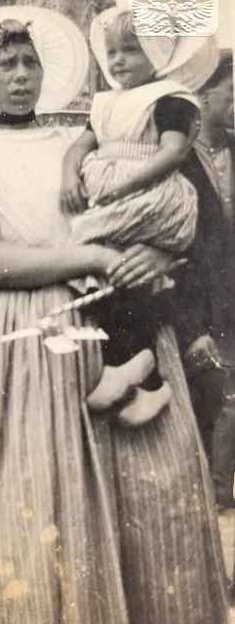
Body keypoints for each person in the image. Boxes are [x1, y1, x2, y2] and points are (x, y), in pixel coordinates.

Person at [0, 5, 228, 624]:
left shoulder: (86, 137)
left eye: (30, 63)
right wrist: (93, 255)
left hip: (117, 314)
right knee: (38, 498)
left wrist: (155, 253)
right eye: (5, 65)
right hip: (23, 333)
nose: (20, 76)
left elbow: (176, 210)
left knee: (149, 489)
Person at [59, 7, 218, 426]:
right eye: (112, 52)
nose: (118, 61)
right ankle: (146, 378)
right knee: (115, 274)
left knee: (123, 268)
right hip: (119, 197)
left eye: (131, 50)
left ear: (156, 53)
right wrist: (69, 175)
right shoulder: (107, 103)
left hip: (150, 195)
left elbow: (173, 151)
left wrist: (127, 186)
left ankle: (135, 362)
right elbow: (79, 146)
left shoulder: (167, 99)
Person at [176, 50, 235, 507]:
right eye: (231, 93)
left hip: (231, 296)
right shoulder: (177, 156)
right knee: (203, 393)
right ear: (204, 94)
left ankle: (221, 490)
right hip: (193, 297)